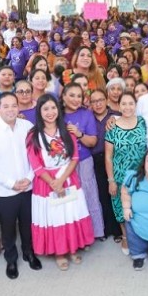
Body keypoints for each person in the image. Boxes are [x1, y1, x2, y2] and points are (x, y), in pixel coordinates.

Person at [27, 94, 94, 270]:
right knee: (55, 216)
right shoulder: (33, 135)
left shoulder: (66, 130)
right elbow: (36, 165)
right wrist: (53, 183)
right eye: (45, 109)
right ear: (39, 111)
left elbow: (74, 158)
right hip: (46, 183)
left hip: (68, 177)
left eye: (53, 108)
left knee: (70, 213)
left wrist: (61, 180)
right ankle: (59, 252)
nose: (50, 112)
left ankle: (72, 248)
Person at [0, 92, 41, 280]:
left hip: (28, 186)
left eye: (14, 105)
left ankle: (29, 252)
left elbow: (36, 155)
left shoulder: (28, 127)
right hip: (4, 191)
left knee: (27, 223)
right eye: (5, 106)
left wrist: (30, 178)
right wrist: (11, 183)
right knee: (7, 227)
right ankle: (11, 259)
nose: (10, 109)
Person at [105, 92, 148, 255]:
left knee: (140, 206)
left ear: (135, 105)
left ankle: (140, 235)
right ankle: (125, 235)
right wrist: (111, 180)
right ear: (119, 106)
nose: (127, 107)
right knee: (120, 206)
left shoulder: (143, 122)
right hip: (120, 175)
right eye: (124, 104)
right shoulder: (112, 126)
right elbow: (108, 157)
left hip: (141, 175)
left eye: (131, 103)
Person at [61, 82, 105, 239]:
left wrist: (79, 134)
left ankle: (96, 232)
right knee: (70, 200)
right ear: (63, 97)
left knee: (90, 195)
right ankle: (76, 237)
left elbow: (92, 141)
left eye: (79, 96)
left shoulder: (86, 114)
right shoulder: (57, 114)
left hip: (84, 161)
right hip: (63, 164)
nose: (75, 99)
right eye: (71, 95)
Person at [89, 89, 121, 240]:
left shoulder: (116, 115)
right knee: (101, 194)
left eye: (101, 100)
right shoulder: (88, 118)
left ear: (107, 100)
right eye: (94, 101)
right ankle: (106, 228)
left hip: (114, 159)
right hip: (95, 160)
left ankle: (118, 230)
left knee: (116, 194)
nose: (98, 104)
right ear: (90, 104)